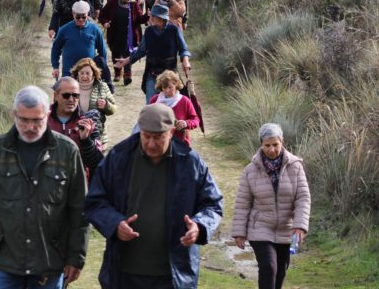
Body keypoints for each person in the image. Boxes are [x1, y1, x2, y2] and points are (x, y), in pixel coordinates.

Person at [0, 85, 88, 288]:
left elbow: (80, 210)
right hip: (6, 262)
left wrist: (76, 257)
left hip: (50, 262)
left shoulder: (67, 152)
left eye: (37, 120)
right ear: (14, 115)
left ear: (47, 114)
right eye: (24, 120)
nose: (30, 127)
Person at [84, 103, 223, 289]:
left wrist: (199, 226)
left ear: (172, 132)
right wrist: (114, 223)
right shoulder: (118, 157)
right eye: (146, 136)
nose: (151, 143)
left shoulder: (191, 162)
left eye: (158, 138)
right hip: (124, 273)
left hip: (174, 275)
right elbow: (95, 201)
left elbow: (213, 204)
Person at [232, 123, 311, 289]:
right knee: (269, 268)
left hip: (286, 228)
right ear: (261, 144)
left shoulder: (295, 167)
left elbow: (303, 197)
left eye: (275, 145)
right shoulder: (250, 171)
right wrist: (239, 232)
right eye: (267, 145)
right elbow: (242, 203)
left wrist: (300, 226)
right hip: (260, 227)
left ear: (282, 142)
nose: (272, 149)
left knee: (280, 272)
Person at [114, 3, 191, 104]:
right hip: (152, 74)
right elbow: (141, 51)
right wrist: (127, 61)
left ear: (160, 18)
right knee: (151, 106)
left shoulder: (173, 30)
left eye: (152, 16)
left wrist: (186, 61)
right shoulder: (149, 31)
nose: (150, 18)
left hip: (170, 75)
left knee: (172, 105)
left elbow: (183, 48)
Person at [48, 76, 105, 179]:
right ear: (55, 96)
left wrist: (86, 141)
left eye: (75, 95)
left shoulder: (88, 123)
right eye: (66, 95)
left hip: (78, 187)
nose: (71, 99)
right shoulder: (42, 120)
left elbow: (98, 164)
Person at [98, 0, 147, 86]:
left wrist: (147, 16)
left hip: (129, 34)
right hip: (115, 33)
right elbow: (102, 14)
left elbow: (139, 19)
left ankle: (127, 75)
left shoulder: (133, 4)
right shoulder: (113, 2)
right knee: (116, 53)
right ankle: (117, 73)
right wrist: (105, 22)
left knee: (128, 53)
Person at [51, 0, 107, 78]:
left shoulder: (95, 29)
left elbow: (103, 51)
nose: (81, 19)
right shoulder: (64, 29)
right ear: (73, 14)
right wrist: (55, 67)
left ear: (87, 14)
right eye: (78, 17)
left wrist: (103, 69)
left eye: (83, 17)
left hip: (88, 74)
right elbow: (55, 49)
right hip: (69, 73)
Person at [70, 57, 116, 148]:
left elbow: (113, 108)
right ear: (77, 74)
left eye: (88, 73)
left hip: (98, 137)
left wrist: (106, 105)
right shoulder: (70, 87)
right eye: (82, 73)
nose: (84, 76)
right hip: (75, 135)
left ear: (93, 74)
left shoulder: (102, 86)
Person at [148, 70, 199, 146]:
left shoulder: (185, 101)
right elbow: (147, 120)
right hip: (159, 143)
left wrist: (185, 123)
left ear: (176, 85)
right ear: (161, 87)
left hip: (180, 142)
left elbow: (195, 120)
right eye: (164, 87)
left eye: (170, 87)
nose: (167, 90)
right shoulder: (155, 100)